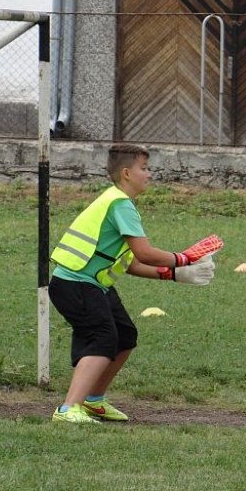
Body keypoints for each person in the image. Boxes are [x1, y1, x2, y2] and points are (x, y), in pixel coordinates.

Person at [48, 144, 221, 423]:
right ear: (127, 173)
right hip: (76, 284)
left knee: (125, 336)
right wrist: (184, 259)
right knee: (102, 338)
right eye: (144, 168)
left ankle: (93, 402)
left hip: (93, 284)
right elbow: (145, 253)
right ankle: (68, 409)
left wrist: (174, 274)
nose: (149, 174)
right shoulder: (120, 204)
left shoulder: (117, 202)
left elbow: (130, 263)